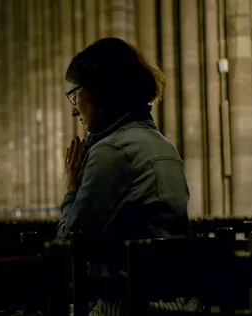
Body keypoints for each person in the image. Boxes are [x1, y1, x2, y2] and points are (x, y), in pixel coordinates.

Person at [58, 37, 198, 315]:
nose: (74, 108)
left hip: (131, 305)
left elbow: (68, 247)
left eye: (75, 93)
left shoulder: (111, 151)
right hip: (179, 301)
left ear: (99, 89)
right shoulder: (163, 144)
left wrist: (72, 187)